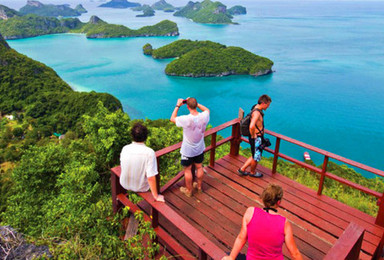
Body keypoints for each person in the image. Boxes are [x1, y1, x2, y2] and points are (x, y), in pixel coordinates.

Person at [222, 184, 302, 260]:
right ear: (278, 202)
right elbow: (294, 253)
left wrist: (231, 257)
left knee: (228, 254)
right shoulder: (284, 223)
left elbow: (241, 238)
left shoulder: (251, 212)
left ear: (263, 198)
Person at [170, 97, 210, 197]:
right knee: (199, 167)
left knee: (187, 170)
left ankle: (189, 191)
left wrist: (178, 105)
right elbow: (207, 110)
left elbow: (172, 119)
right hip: (199, 148)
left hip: (188, 150)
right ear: (196, 105)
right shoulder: (204, 116)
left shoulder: (187, 119)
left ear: (187, 106)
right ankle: (199, 188)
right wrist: (196, 104)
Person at [119, 122, 165, 202]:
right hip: (140, 187)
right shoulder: (149, 152)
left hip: (124, 183)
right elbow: (151, 177)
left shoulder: (125, 148)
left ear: (132, 136)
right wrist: (156, 196)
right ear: (146, 137)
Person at [238, 94, 272, 178]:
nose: (268, 107)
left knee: (254, 155)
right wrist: (254, 136)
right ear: (263, 103)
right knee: (255, 157)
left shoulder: (255, 107)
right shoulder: (257, 113)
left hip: (256, 137)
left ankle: (242, 169)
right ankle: (252, 172)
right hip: (256, 138)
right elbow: (251, 126)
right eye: (268, 105)